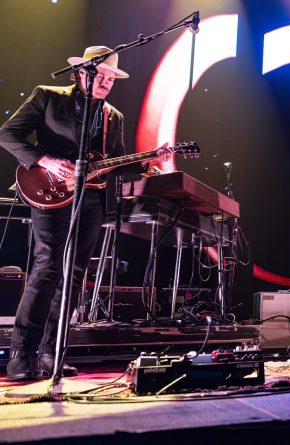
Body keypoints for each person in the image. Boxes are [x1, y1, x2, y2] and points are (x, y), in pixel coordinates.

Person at [0, 46, 170, 381]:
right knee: (48, 266)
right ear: (82, 72)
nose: (107, 83)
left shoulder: (114, 117)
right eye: (101, 75)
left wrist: (151, 159)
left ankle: (52, 353)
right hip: (48, 190)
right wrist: (45, 160)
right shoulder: (49, 97)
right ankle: (21, 354)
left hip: (91, 199)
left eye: (112, 79)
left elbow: (116, 163)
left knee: (74, 276)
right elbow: (7, 133)